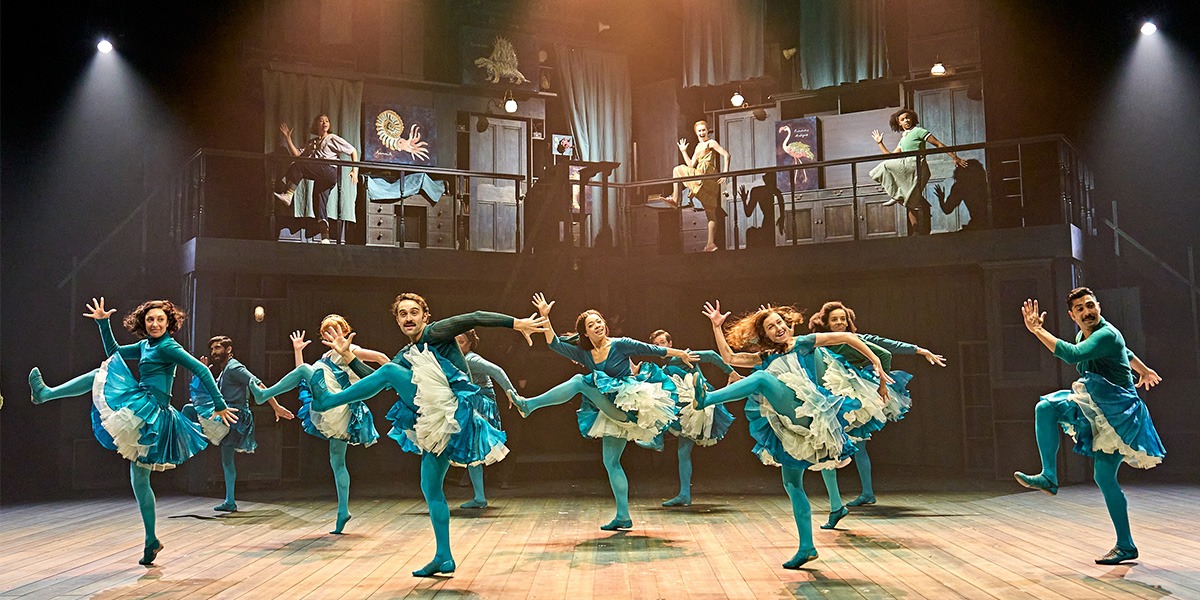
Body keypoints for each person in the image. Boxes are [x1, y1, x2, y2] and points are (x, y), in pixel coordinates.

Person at [252, 293, 548, 577]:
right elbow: (375, 380)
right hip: (440, 420)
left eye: (414, 312)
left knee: (390, 373)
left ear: (425, 316)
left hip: (453, 405)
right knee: (430, 488)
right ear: (397, 320)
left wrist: (517, 323)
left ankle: (329, 400)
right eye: (402, 314)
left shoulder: (436, 331)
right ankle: (444, 555)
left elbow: (475, 316)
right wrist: (348, 356)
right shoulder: (407, 354)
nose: (408, 318)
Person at [28, 298, 238, 565]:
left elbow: (200, 370)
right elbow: (114, 352)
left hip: (153, 413)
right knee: (139, 480)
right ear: (143, 322)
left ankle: (46, 394)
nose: (155, 324)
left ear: (168, 323)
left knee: (99, 375)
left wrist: (219, 404)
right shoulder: (146, 345)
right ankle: (151, 541)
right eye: (150, 319)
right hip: (143, 406)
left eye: (160, 319)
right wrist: (103, 323)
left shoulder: (169, 346)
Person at [693, 301, 892, 569]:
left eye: (779, 322)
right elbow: (729, 358)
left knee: (762, 380)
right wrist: (717, 327)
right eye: (770, 327)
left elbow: (847, 337)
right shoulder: (765, 357)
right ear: (764, 335)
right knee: (792, 484)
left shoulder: (804, 342)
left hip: (808, 410)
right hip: (790, 424)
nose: (778, 328)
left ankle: (707, 400)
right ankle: (806, 547)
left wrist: (876, 360)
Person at [510, 293, 698, 531]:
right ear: (585, 333)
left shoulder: (619, 344)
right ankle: (623, 516)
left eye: (599, 321)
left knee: (579, 381)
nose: (597, 325)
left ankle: (529, 405)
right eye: (591, 325)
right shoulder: (584, 353)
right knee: (611, 462)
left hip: (627, 405)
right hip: (611, 411)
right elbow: (554, 344)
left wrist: (681, 353)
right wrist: (545, 317)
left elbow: (652, 349)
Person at [1014, 288, 1165, 565]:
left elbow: (1073, 355)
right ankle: (1049, 476)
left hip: (1118, 414)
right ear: (1072, 316)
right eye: (1080, 309)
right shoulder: (1085, 335)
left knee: (1104, 477)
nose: (1087, 312)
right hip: (1096, 402)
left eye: (1090, 305)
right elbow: (1126, 351)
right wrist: (1142, 369)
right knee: (1045, 408)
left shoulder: (1106, 334)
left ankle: (1125, 545)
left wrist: (1037, 330)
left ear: (1098, 306)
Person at [807, 301, 945, 509]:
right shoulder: (822, 341)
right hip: (832, 391)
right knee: (833, 442)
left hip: (853, 393)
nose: (839, 323)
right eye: (834, 319)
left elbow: (888, 347)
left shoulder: (855, 339)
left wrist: (917, 353)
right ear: (825, 322)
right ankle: (849, 497)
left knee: (852, 443)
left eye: (843, 319)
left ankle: (864, 493)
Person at [291, 315, 391, 534]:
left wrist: (393, 380)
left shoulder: (350, 348)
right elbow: (303, 377)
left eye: (335, 329)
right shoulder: (326, 356)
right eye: (326, 331)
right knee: (337, 462)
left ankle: (265, 394)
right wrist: (298, 351)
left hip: (340, 407)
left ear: (345, 331)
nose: (331, 334)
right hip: (330, 408)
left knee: (337, 461)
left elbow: (381, 357)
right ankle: (342, 511)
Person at [182, 336, 294, 513]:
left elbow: (256, 383)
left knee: (189, 410)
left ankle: (182, 440)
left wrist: (275, 406)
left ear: (228, 350)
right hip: (227, 414)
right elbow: (213, 391)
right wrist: (203, 372)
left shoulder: (234, 367)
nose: (214, 352)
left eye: (218, 348)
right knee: (226, 460)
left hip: (235, 416)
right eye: (212, 349)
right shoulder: (225, 370)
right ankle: (230, 501)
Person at [648, 328, 736, 508]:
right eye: (656, 345)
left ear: (670, 344)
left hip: (697, 402)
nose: (660, 347)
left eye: (662, 343)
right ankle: (684, 495)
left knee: (660, 400)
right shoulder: (663, 369)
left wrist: (731, 372)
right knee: (683, 451)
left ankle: (657, 439)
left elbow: (711, 355)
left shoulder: (682, 356)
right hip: (685, 412)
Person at [869, 108, 968, 235]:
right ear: (899, 123)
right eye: (903, 119)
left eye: (908, 117)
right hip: (908, 168)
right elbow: (891, 157)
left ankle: (896, 195)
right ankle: (916, 230)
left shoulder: (919, 131)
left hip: (917, 166)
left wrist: (955, 157)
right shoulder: (903, 139)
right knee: (909, 200)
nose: (906, 120)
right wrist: (880, 143)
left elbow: (938, 144)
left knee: (885, 166)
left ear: (912, 118)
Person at [455, 328, 517, 509]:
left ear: (470, 344)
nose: (457, 346)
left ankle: (479, 497)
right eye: (454, 342)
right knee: (470, 450)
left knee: (472, 449)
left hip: (481, 405)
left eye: (461, 342)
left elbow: (497, 370)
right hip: (470, 403)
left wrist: (511, 393)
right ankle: (479, 497)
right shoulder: (456, 359)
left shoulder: (471, 359)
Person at [275, 114, 360, 244]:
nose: (324, 123)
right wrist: (288, 138)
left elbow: (353, 150)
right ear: (316, 125)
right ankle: (325, 238)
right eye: (321, 121)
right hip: (321, 175)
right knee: (319, 205)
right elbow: (297, 154)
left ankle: (288, 195)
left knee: (299, 165)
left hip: (329, 171)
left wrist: (355, 171)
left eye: (327, 121)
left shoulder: (332, 138)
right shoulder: (312, 142)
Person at [661, 120, 731, 252]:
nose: (702, 132)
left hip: (707, 176)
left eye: (704, 130)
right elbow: (691, 165)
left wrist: (725, 173)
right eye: (699, 131)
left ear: (707, 130)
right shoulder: (698, 146)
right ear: (696, 133)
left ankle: (675, 199)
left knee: (677, 170)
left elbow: (726, 155)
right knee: (711, 213)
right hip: (700, 175)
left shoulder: (711, 143)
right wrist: (683, 151)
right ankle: (710, 244)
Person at [739, 173, 785, 249]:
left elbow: (748, 213)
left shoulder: (759, 191)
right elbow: (748, 213)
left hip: (769, 226)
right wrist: (744, 200)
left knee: (752, 233)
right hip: (768, 226)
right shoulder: (775, 192)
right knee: (751, 233)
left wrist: (744, 201)